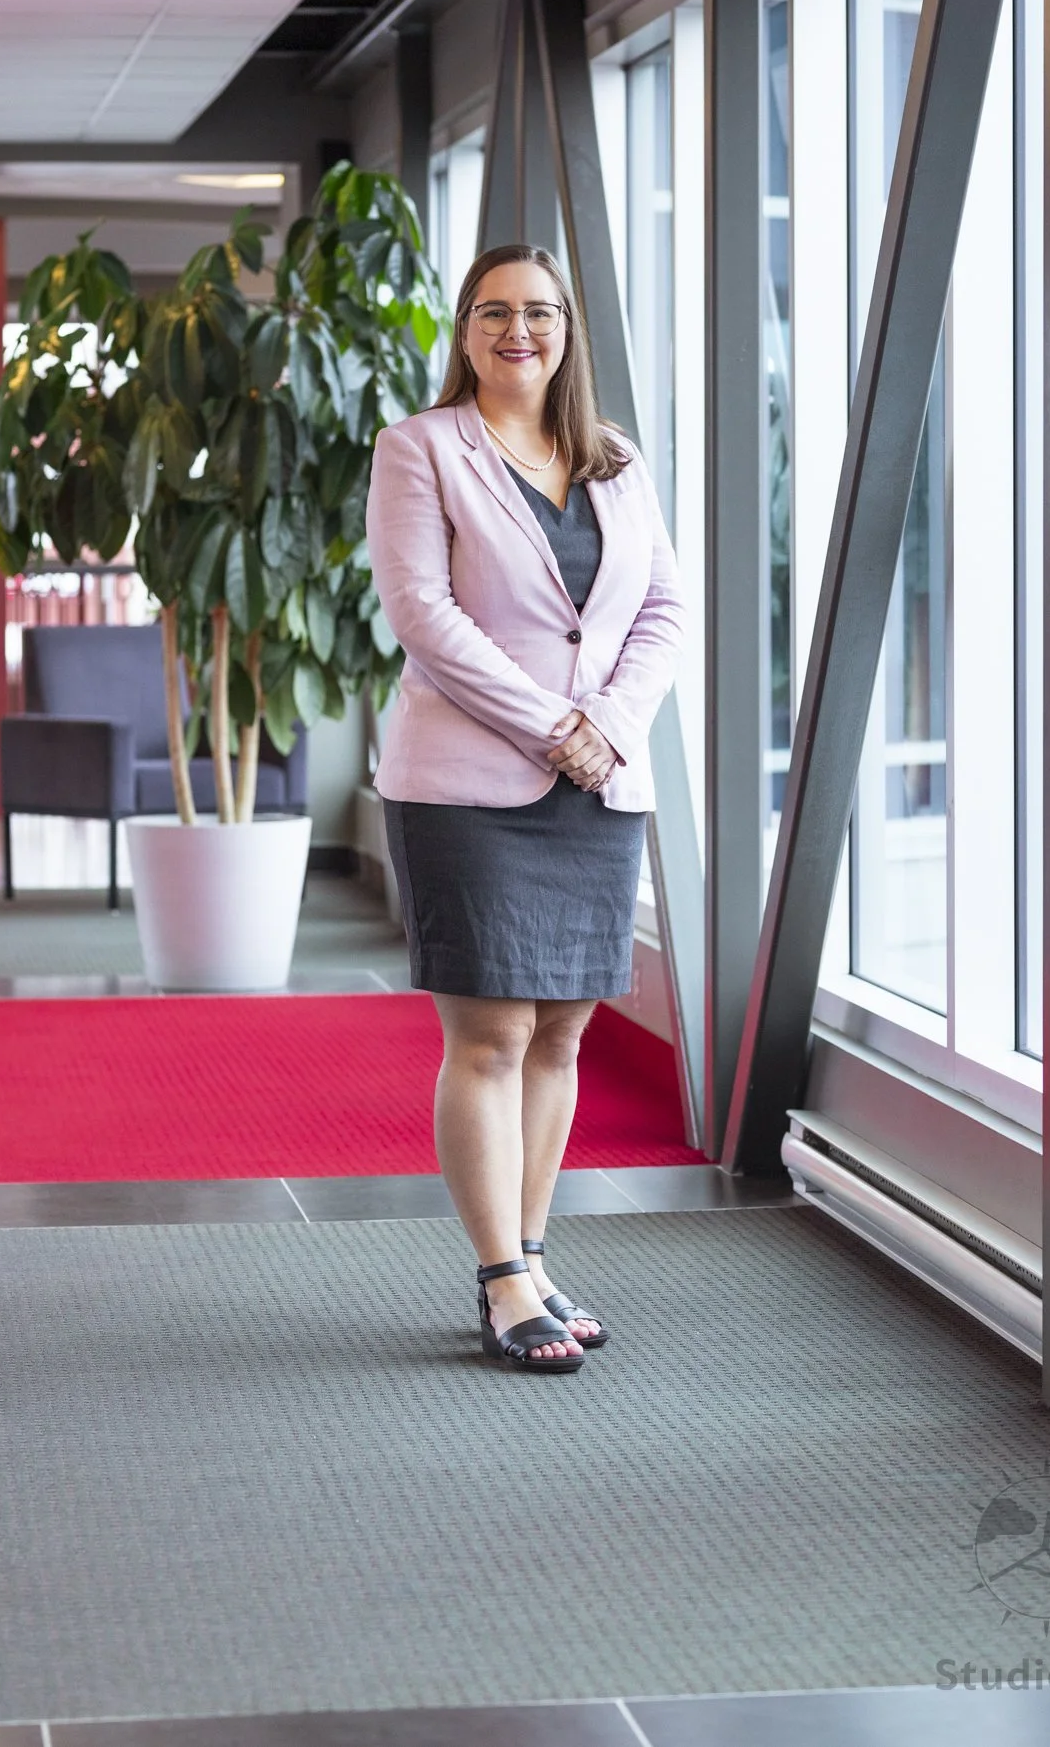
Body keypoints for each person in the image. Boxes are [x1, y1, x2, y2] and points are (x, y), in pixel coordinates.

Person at [365, 243, 685, 1376]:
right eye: (494, 311)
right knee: (492, 1032)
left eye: (539, 311)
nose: (519, 330)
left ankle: (535, 1258)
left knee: (562, 1029)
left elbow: (661, 608)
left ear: (566, 329)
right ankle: (500, 1278)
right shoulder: (420, 450)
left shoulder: (612, 458)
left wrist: (609, 726)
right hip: (468, 781)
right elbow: (426, 617)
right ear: (464, 330)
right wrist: (558, 727)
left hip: (599, 779)